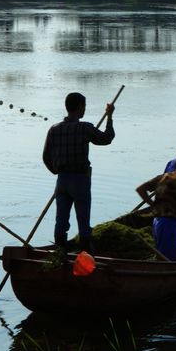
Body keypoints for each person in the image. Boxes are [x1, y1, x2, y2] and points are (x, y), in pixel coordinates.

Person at [42, 92, 115, 254]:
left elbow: (46, 156)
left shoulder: (54, 129)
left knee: (61, 220)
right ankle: (86, 253)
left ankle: (60, 252)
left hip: (62, 180)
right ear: (80, 107)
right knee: (83, 219)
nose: (85, 110)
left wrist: (57, 171)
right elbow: (106, 138)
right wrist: (109, 117)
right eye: (84, 106)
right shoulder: (84, 128)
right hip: (79, 180)